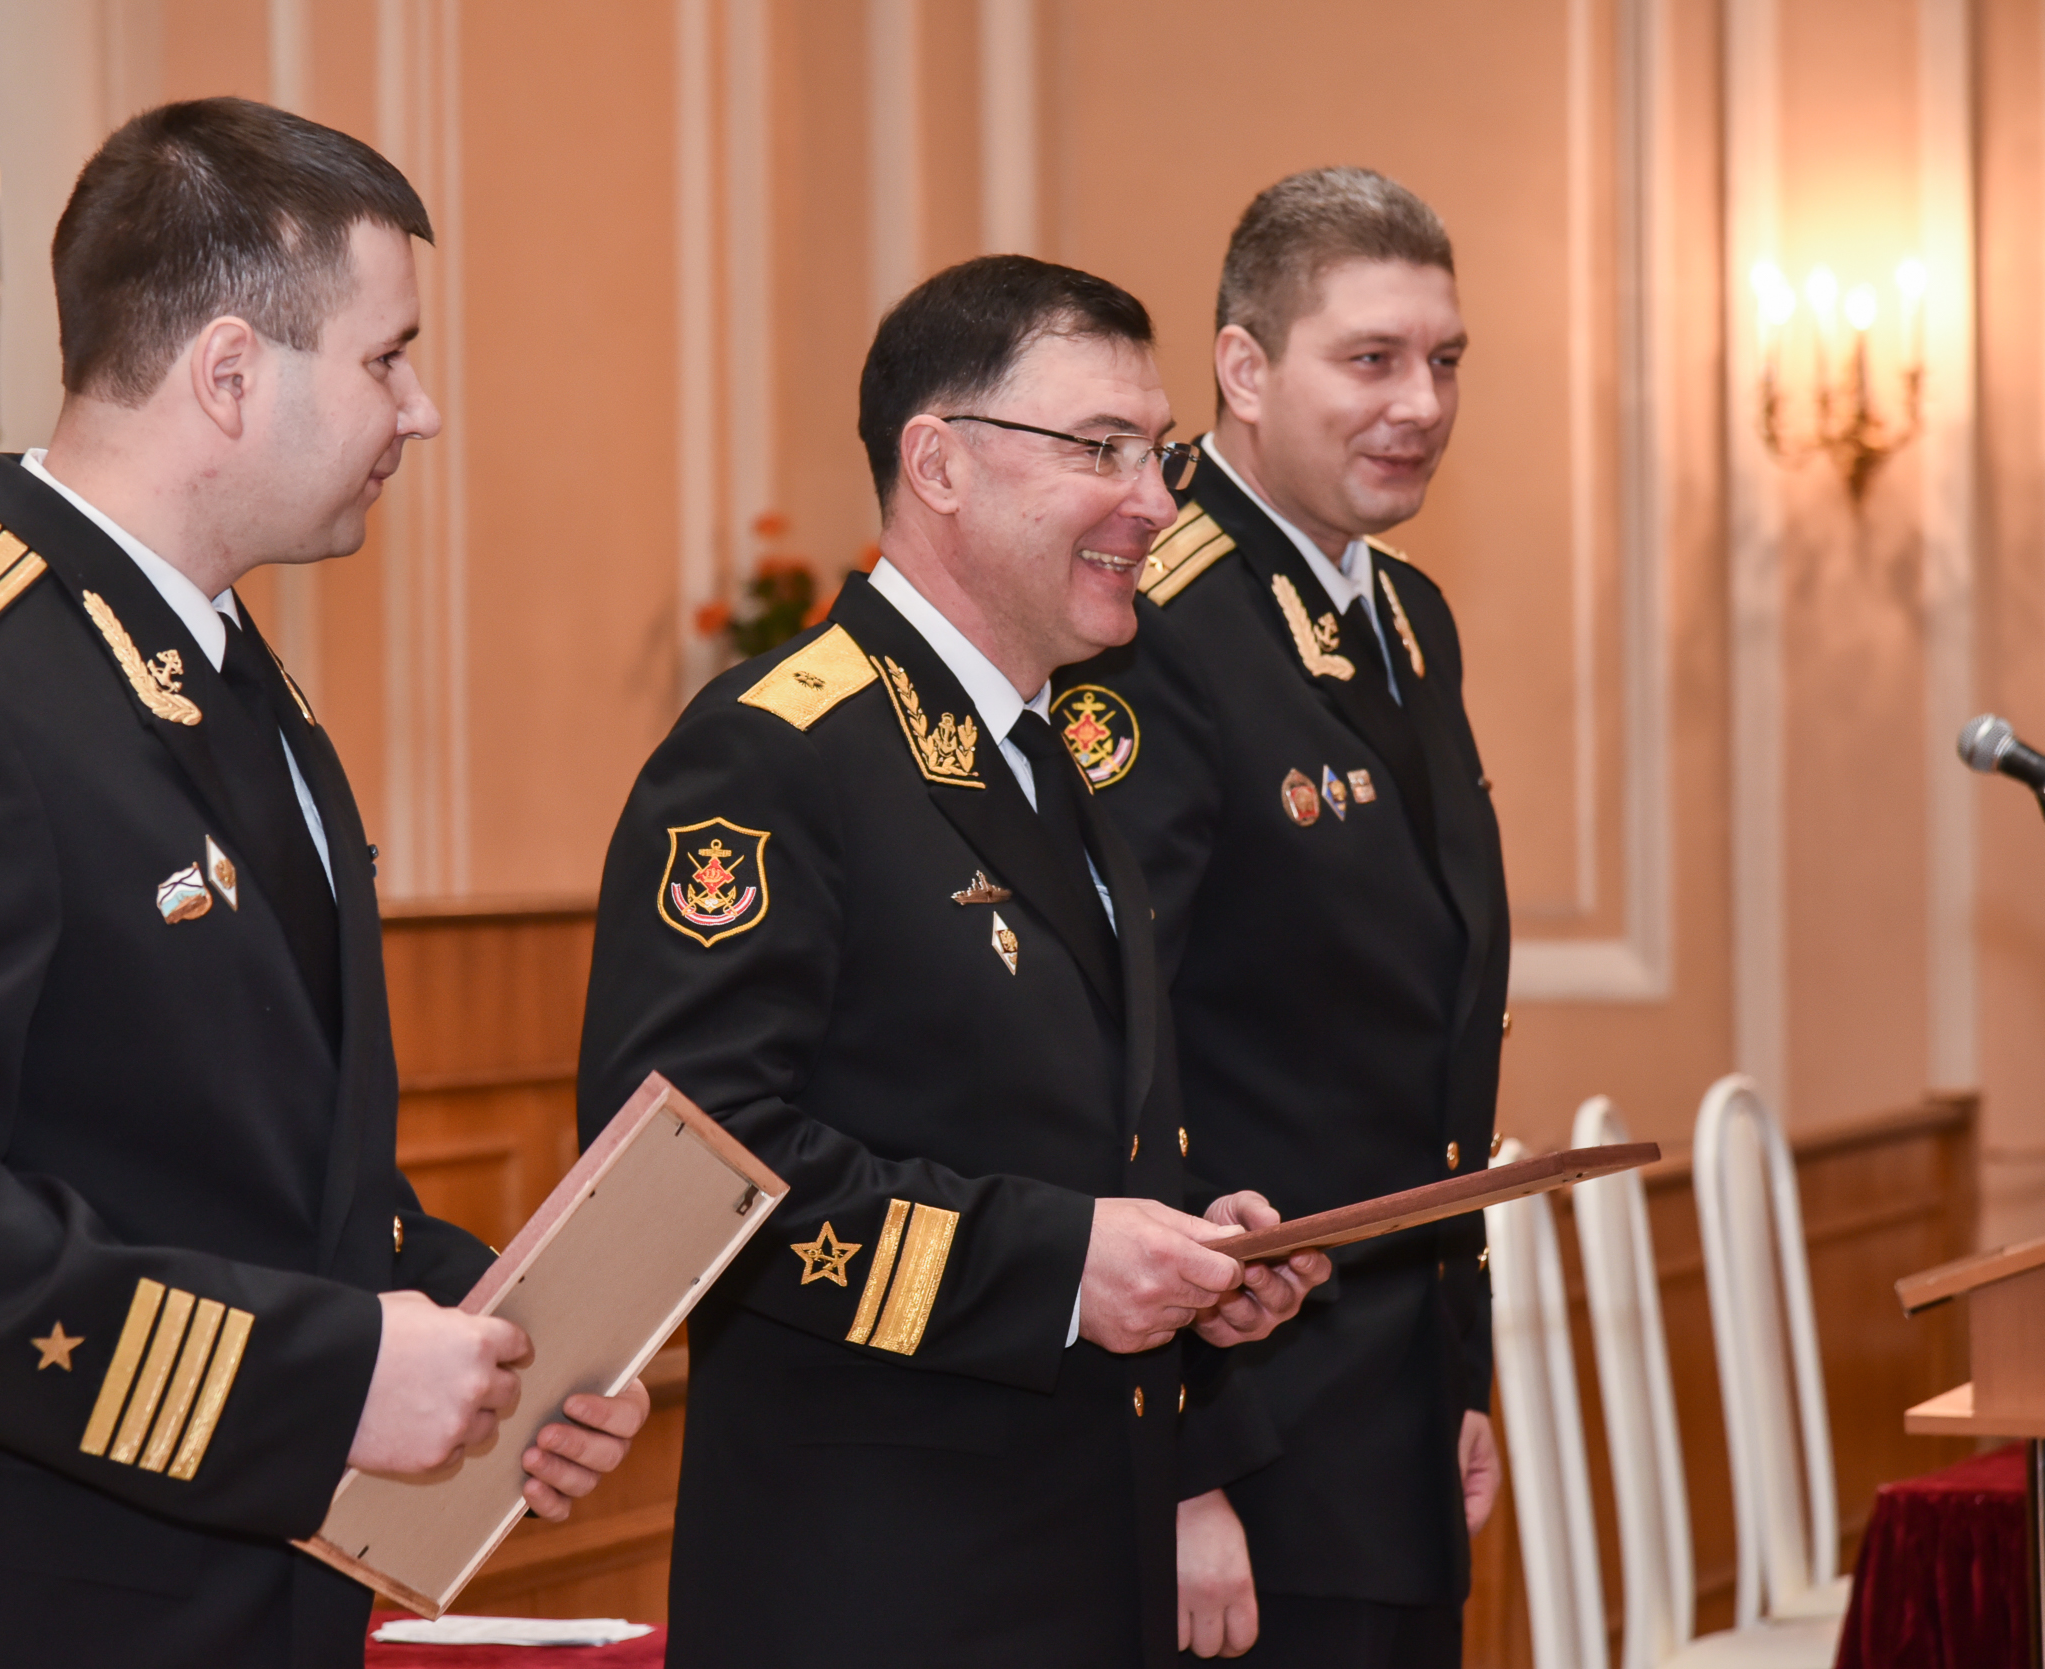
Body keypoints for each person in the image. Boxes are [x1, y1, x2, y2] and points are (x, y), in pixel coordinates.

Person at [0, 99, 646, 1669]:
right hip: (20, 1613)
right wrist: (325, 1377)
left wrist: (487, 1332)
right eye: (387, 358)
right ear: (229, 373)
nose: (420, 413)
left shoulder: (223, 674)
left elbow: (243, 1158)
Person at [575, 254, 1333, 1669]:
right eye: (1100, 448)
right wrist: (1064, 1267)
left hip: (1076, 1550)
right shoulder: (776, 753)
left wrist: (1190, 1254)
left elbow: (1048, 1126)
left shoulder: (1052, 755)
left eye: (1157, 452)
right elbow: (682, 1170)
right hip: (880, 1581)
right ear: (938, 464)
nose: (1156, 501)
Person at [1061, 167, 1509, 1666]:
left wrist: (1457, 1376)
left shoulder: (1407, 616)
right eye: (1370, 359)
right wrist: (1183, 1465)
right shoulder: (1156, 618)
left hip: (1387, 1418)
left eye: (1444, 360)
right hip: (1248, 1442)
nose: (1421, 404)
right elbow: (1111, 1054)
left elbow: (1423, 1049)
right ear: (1243, 371)